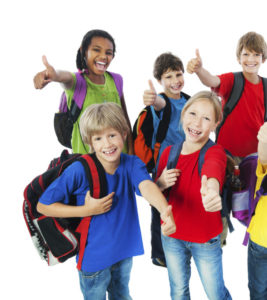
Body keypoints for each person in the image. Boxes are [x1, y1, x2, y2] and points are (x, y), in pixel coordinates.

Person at [36, 102, 176, 300]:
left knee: (122, 294)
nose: (107, 144)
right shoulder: (79, 170)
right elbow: (43, 206)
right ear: (90, 142)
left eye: (112, 135)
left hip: (124, 251)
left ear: (124, 134)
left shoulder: (132, 163)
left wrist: (164, 211)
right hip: (94, 258)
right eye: (98, 138)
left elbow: (146, 186)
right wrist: (86, 210)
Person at [156, 91, 232, 299]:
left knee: (216, 294)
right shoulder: (168, 152)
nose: (197, 123)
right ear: (183, 115)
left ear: (215, 124)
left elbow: (213, 171)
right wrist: (161, 183)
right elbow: (155, 193)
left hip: (205, 239)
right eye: (193, 114)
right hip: (172, 237)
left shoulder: (215, 151)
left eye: (206, 118)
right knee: (179, 292)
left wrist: (211, 191)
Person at [33, 29, 132, 154]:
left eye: (108, 52)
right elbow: (63, 76)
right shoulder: (76, 81)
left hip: (119, 159)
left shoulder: (116, 80)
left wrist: (132, 156)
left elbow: (125, 121)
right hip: (87, 164)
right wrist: (52, 75)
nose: (103, 56)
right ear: (83, 51)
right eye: (96, 50)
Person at [187, 31, 267, 160]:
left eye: (256, 54)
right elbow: (211, 80)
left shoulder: (265, 86)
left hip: (255, 155)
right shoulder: (233, 80)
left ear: (263, 59)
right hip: (226, 153)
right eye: (246, 54)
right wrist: (199, 70)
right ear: (238, 59)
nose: (251, 59)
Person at [143, 52, 189, 266]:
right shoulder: (162, 103)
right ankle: (159, 253)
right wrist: (154, 99)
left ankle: (183, 242)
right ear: (160, 81)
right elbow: (161, 104)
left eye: (178, 74)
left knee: (182, 205)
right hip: (165, 165)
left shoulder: (189, 100)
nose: (175, 81)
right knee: (160, 205)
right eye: (168, 77)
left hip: (187, 162)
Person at [247, 122, 267, 299]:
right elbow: (264, 158)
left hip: (261, 238)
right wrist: (264, 139)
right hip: (262, 240)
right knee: (259, 292)